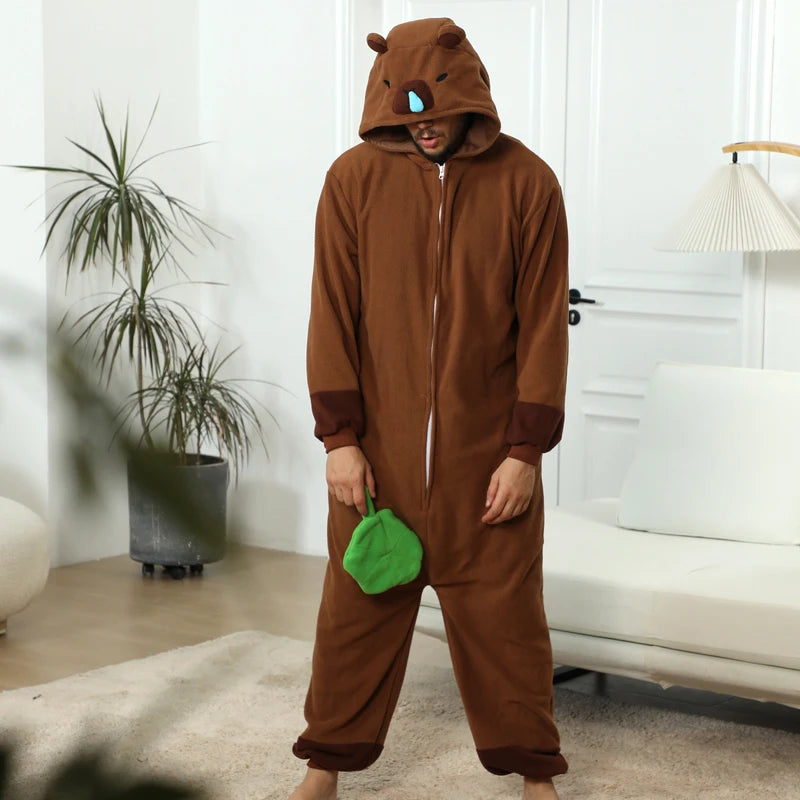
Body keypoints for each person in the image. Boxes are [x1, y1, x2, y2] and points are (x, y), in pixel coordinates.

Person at [290, 16, 569, 800]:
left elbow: (544, 326)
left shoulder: (528, 183)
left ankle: (534, 774)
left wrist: (524, 453)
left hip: (487, 466)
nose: (425, 129)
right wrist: (339, 441)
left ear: (470, 98)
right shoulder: (352, 181)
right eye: (409, 117)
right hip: (376, 465)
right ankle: (323, 768)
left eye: (439, 114)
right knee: (354, 618)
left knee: (507, 622)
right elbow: (331, 314)